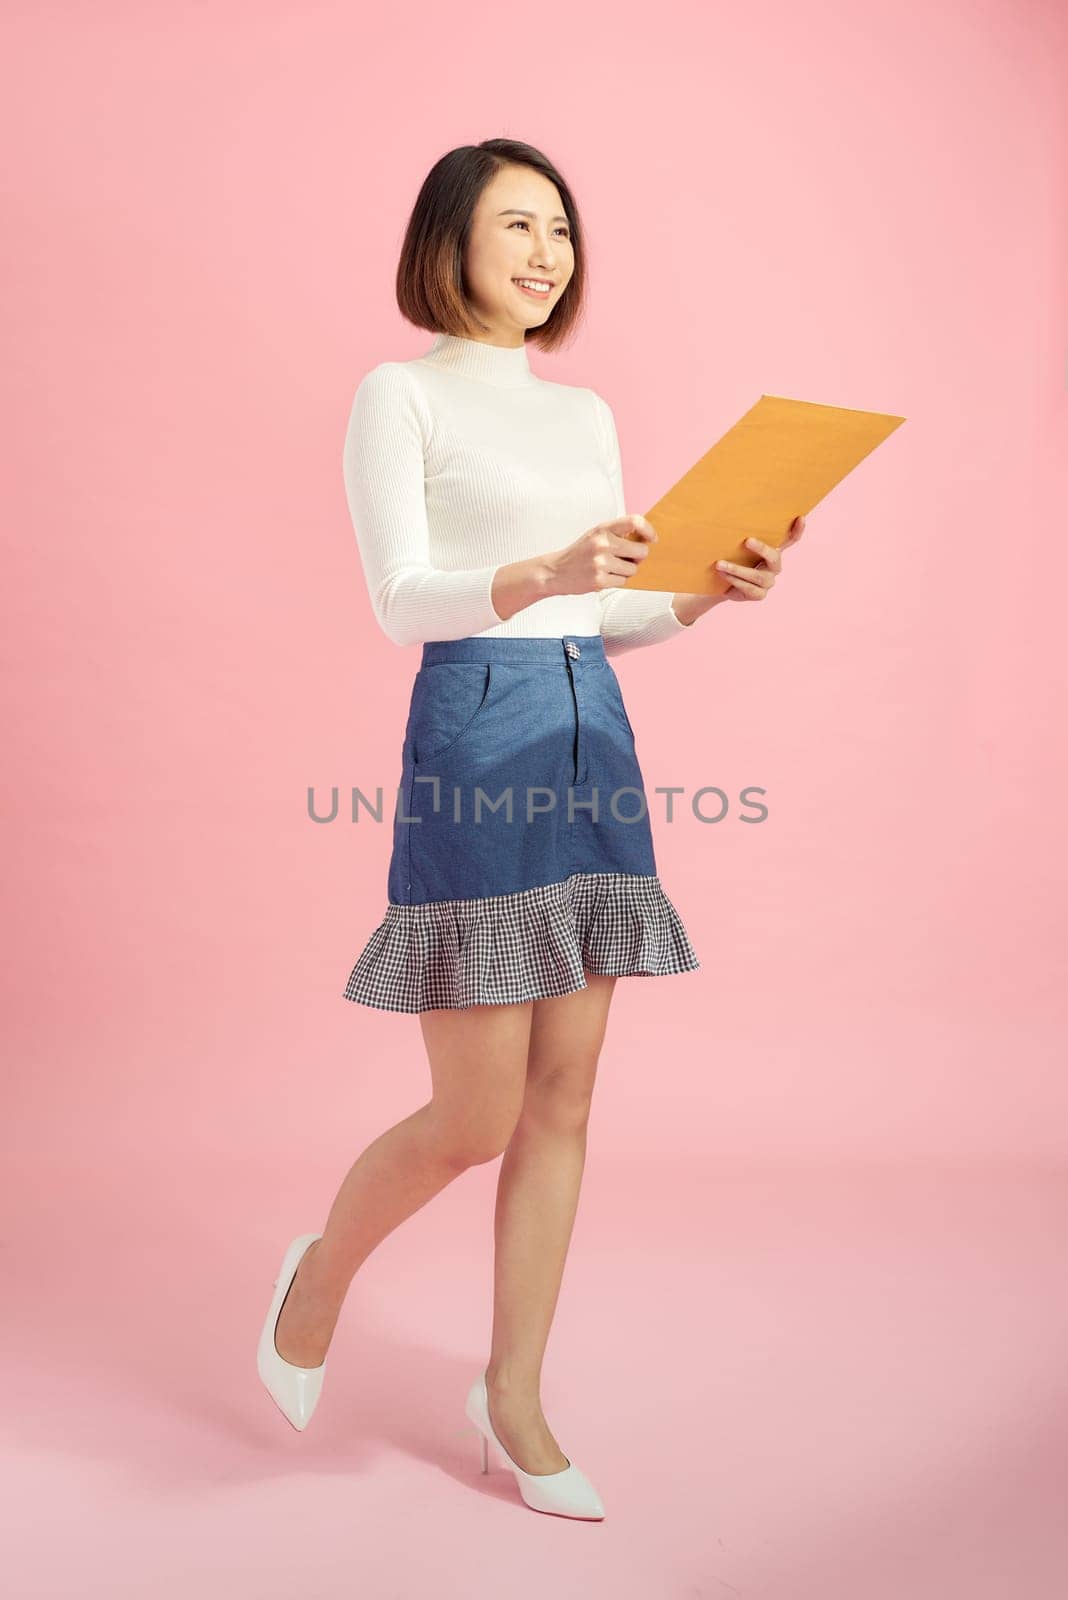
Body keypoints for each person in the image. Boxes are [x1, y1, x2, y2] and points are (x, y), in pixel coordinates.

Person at [257, 137, 804, 1520]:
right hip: (478, 724)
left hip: (590, 725)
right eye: (515, 223)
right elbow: (400, 599)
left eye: (558, 227)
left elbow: (603, 616)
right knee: (476, 1113)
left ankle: (511, 1396)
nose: (545, 250)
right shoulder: (398, 395)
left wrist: (703, 594)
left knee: (566, 1096)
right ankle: (317, 1273)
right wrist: (542, 572)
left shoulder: (586, 416)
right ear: (447, 240)